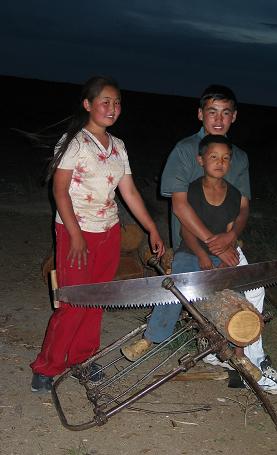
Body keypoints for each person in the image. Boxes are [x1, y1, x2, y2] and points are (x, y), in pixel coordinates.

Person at [123, 85, 277, 395]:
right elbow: (179, 205)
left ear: (234, 117)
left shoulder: (238, 157)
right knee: (185, 283)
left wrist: (230, 238)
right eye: (212, 111)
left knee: (254, 287)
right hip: (193, 244)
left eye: (225, 112)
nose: (218, 119)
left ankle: (238, 356)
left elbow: (242, 207)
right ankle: (252, 363)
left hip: (224, 242)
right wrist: (210, 244)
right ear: (201, 114)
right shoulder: (186, 150)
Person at [30, 76, 165, 393]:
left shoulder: (118, 146)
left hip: (109, 232)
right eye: (105, 101)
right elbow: (59, 191)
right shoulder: (73, 141)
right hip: (76, 231)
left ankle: (83, 359)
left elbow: (128, 191)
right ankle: (46, 368)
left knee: (96, 302)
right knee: (74, 302)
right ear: (88, 105)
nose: (113, 108)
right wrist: (75, 235)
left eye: (117, 102)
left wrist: (152, 227)